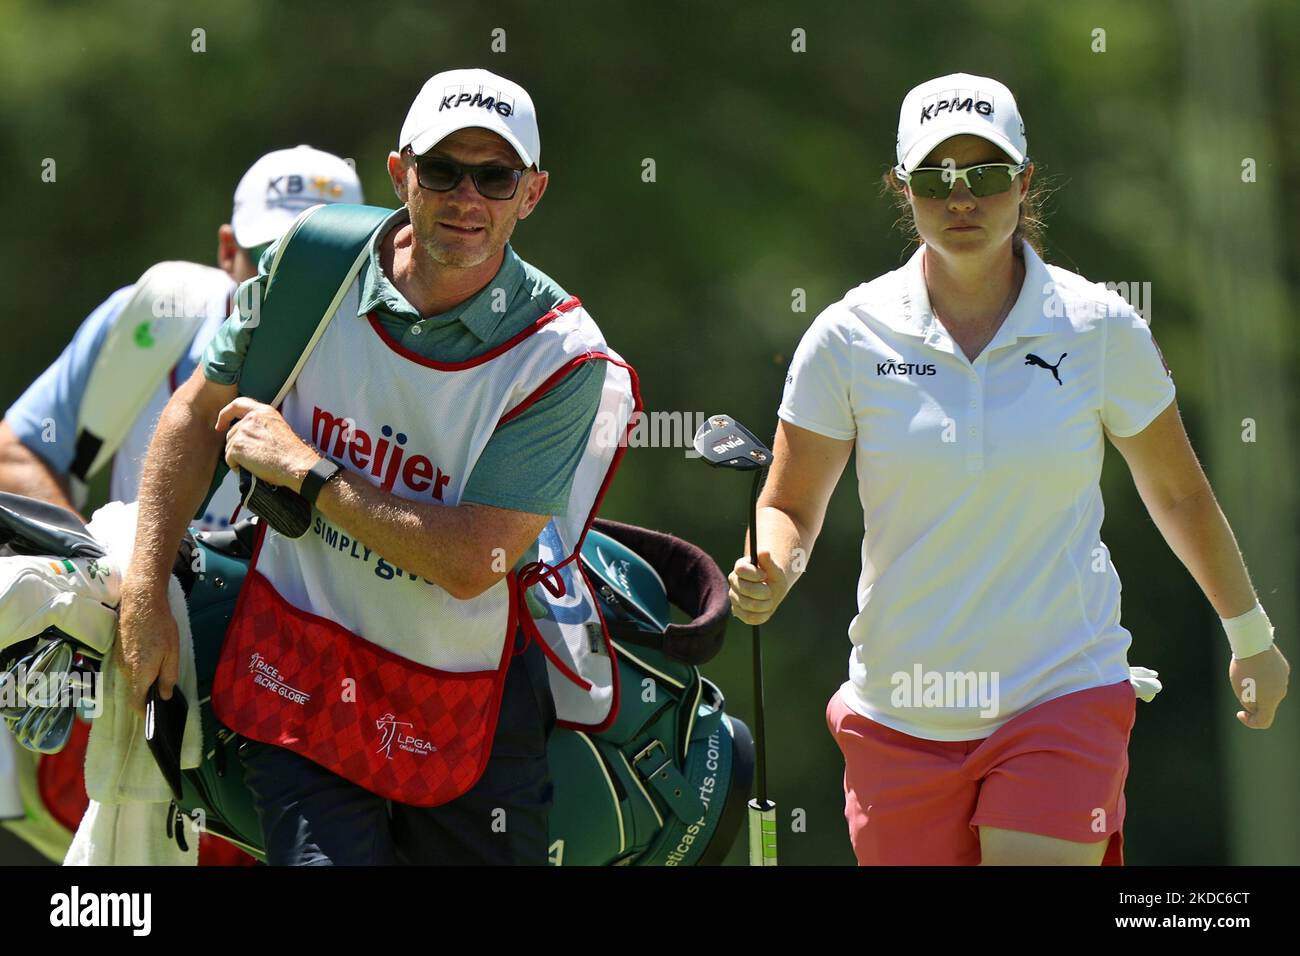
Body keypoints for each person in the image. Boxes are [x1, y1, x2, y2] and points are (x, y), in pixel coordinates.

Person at [727, 73, 1290, 866]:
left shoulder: (1099, 327)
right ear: (902, 187)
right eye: (937, 179)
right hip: (902, 709)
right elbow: (789, 503)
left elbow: (1177, 491)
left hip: (1060, 692)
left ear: (1024, 182)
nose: (962, 200)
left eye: (986, 176)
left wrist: (1251, 634)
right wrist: (771, 566)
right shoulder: (846, 337)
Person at [115, 68, 637, 865]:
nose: (467, 197)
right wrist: (146, 592)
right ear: (401, 174)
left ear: (531, 193)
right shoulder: (313, 259)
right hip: (299, 665)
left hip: (463, 702)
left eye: (494, 176)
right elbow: (193, 414)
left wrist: (309, 474)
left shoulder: (560, 357)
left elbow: (473, 560)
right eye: (442, 171)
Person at [0, 145, 363, 864]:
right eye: (271, 260)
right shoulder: (159, 316)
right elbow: (16, 451)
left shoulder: (384, 366)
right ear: (229, 251)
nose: (291, 290)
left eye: (317, 267)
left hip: (296, 722)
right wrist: (115, 581)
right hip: (131, 690)